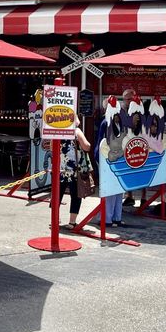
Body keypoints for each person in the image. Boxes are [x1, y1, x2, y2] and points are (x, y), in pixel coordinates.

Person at [95, 95, 125, 227]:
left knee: (119, 189)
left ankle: (116, 217)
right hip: (107, 158)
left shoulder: (119, 124)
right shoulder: (106, 123)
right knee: (110, 190)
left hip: (117, 158)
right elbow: (105, 144)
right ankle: (107, 218)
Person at [56, 117, 91, 229]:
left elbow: (52, 147)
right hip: (75, 169)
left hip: (61, 168)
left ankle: (55, 219)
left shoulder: (58, 131)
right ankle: (72, 222)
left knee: (58, 193)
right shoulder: (76, 131)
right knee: (76, 195)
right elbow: (87, 146)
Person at [120, 88, 137, 207]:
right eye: (125, 99)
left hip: (137, 142)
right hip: (124, 143)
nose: (127, 101)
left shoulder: (139, 109)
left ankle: (144, 197)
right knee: (126, 171)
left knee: (139, 170)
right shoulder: (121, 110)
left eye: (129, 99)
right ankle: (129, 196)